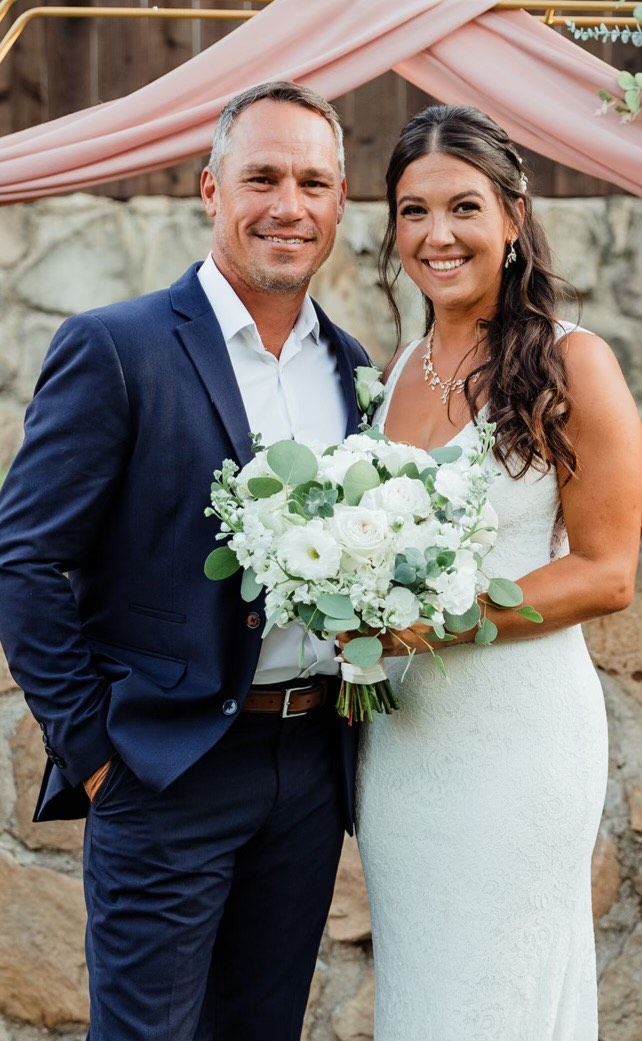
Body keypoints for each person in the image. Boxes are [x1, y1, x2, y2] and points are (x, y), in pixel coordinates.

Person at [0, 81, 368, 1041]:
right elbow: (25, 559)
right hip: (164, 770)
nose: (289, 205)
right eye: (263, 178)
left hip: (309, 769)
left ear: (339, 203)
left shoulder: (356, 368)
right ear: (211, 188)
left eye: (314, 183)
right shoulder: (116, 349)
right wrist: (96, 756)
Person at [353, 105, 641, 1041]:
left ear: (514, 218)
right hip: (407, 747)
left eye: (464, 207)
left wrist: (443, 621)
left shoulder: (572, 361)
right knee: (424, 991)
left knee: (498, 997)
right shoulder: (398, 371)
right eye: (413, 210)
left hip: (518, 739)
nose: (437, 234)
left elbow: (609, 572)